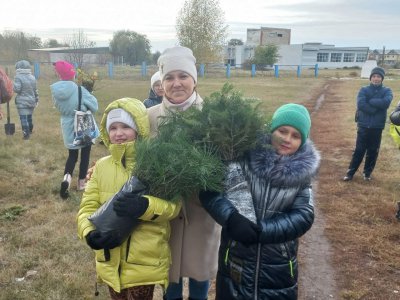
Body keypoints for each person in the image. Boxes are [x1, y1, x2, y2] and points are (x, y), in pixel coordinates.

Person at [199, 103, 320, 299]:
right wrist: (231, 218)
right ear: (272, 129)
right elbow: (211, 193)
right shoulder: (243, 157)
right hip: (236, 261)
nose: (287, 139)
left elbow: (303, 216)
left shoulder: (301, 175)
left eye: (295, 136)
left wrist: (263, 231)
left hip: (278, 270)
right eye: (282, 131)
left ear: (302, 141)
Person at [77, 98, 181, 300]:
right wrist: (88, 232)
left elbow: (173, 207)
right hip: (109, 258)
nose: (118, 133)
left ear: (139, 129)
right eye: (113, 128)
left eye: (125, 126)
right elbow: (87, 206)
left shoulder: (154, 166)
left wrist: (145, 206)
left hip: (143, 263)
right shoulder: (101, 167)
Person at [147, 46, 220, 300]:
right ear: (161, 83)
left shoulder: (213, 117)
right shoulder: (149, 118)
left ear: (194, 79)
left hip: (203, 214)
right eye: (169, 77)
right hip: (165, 216)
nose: (176, 83)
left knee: (200, 278)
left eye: (183, 76)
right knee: (170, 281)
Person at [50, 60, 98, 198]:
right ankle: (82, 182)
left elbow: (58, 107)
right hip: (82, 123)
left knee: (72, 156)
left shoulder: (55, 91)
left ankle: (66, 179)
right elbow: (94, 107)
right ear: (73, 74)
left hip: (66, 124)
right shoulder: (80, 90)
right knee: (85, 154)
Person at [343, 67, 393, 181]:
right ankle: (350, 173)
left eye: (379, 77)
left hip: (377, 127)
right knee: (359, 150)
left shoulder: (387, 91)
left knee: (373, 151)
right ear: (371, 78)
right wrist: (375, 109)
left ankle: (367, 174)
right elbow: (361, 104)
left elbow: (386, 102)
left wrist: (371, 101)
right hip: (363, 125)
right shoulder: (363, 90)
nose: (376, 79)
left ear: (382, 78)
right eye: (374, 76)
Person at [13, 60, 39, 140]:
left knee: (23, 118)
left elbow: (17, 89)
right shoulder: (32, 77)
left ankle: (26, 135)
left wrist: (12, 84)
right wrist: (36, 99)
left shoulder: (18, 77)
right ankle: (30, 130)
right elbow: (35, 90)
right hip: (31, 100)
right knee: (29, 117)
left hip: (22, 101)